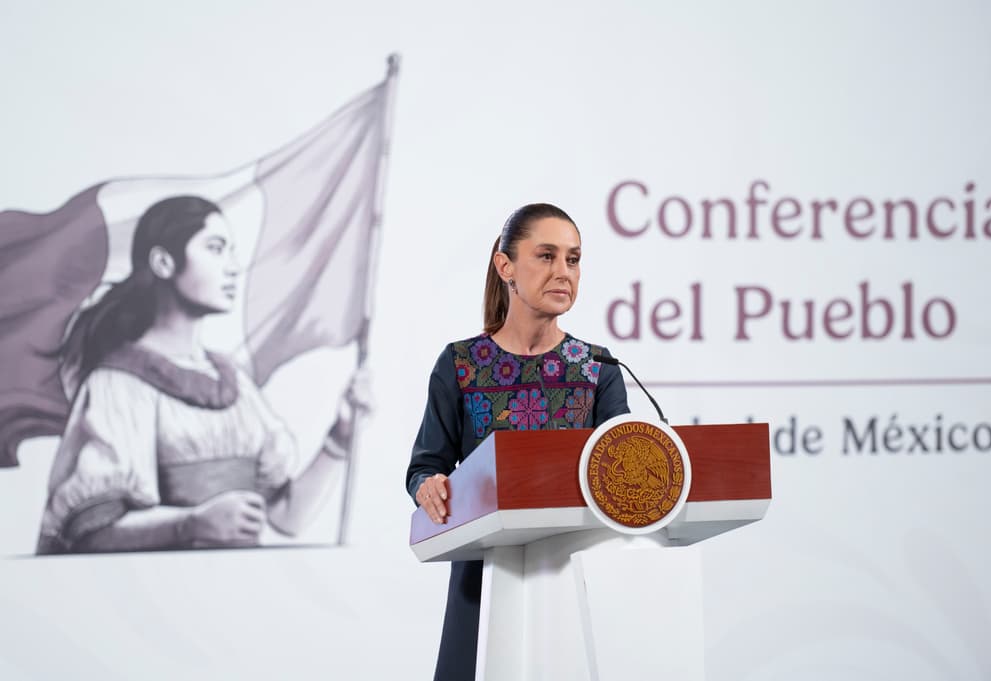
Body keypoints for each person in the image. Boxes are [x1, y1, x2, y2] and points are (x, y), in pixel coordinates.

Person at [37, 195, 366, 554]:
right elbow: (91, 533)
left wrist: (340, 437)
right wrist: (190, 524)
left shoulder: (235, 383)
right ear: (163, 262)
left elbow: (287, 516)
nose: (233, 267)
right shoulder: (118, 384)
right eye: (215, 248)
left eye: (231, 251)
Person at [406, 203, 630, 680]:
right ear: (505, 266)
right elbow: (425, 465)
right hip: (483, 575)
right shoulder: (460, 365)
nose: (563, 271)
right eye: (546, 256)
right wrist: (429, 485)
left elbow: (624, 470)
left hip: (575, 577)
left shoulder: (598, 368)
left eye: (573, 259)